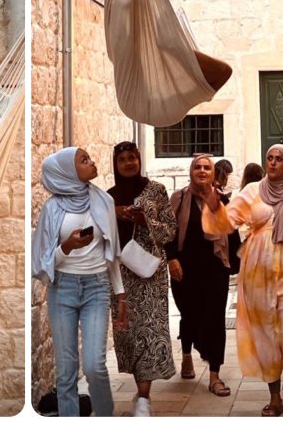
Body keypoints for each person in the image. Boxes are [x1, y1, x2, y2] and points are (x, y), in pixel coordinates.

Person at [202, 144, 283, 417]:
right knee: (266, 333)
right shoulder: (251, 192)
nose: (272, 163)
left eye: (278, 159)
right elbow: (226, 223)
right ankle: (275, 398)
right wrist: (214, 206)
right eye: (269, 158)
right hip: (257, 271)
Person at [31, 147, 127, 417]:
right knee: (66, 369)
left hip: (97, 287)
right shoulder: (52, 209)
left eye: (88, 158)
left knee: (95, 365)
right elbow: (45, 261)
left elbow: (112, 253)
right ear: (67, 172)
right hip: (62, 289)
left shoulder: (103, 201)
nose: (92, 162)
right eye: (83, 160)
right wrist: (68, 246)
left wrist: (120, 296)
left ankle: (105, 415)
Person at [107, 141, 177, 417]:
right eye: (122, 159)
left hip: (151, 274)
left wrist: (146, 219)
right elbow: (98, 233)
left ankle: (145, 398)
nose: (128, 163)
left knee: (150, 331)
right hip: (121, 274)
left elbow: (170, 231)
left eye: (132, 158)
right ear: (116, 164)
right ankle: (140, 389)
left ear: (139, 159)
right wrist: (116, 214)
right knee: (130, 334)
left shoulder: (156, 191)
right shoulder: (108, 197)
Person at [166, 155, 238, 398]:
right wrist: (171, 259)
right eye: (197, 167)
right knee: (190, 314)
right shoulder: (178, 198)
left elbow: (232, 234)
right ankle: (186, 354)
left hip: (216, 268)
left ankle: (215, 376)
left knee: (216, 318)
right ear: (191, 171)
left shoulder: (222, 200)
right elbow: (168, 233)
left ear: (213, 172)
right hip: (184, 268)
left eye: (207, 167)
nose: (202, 171)